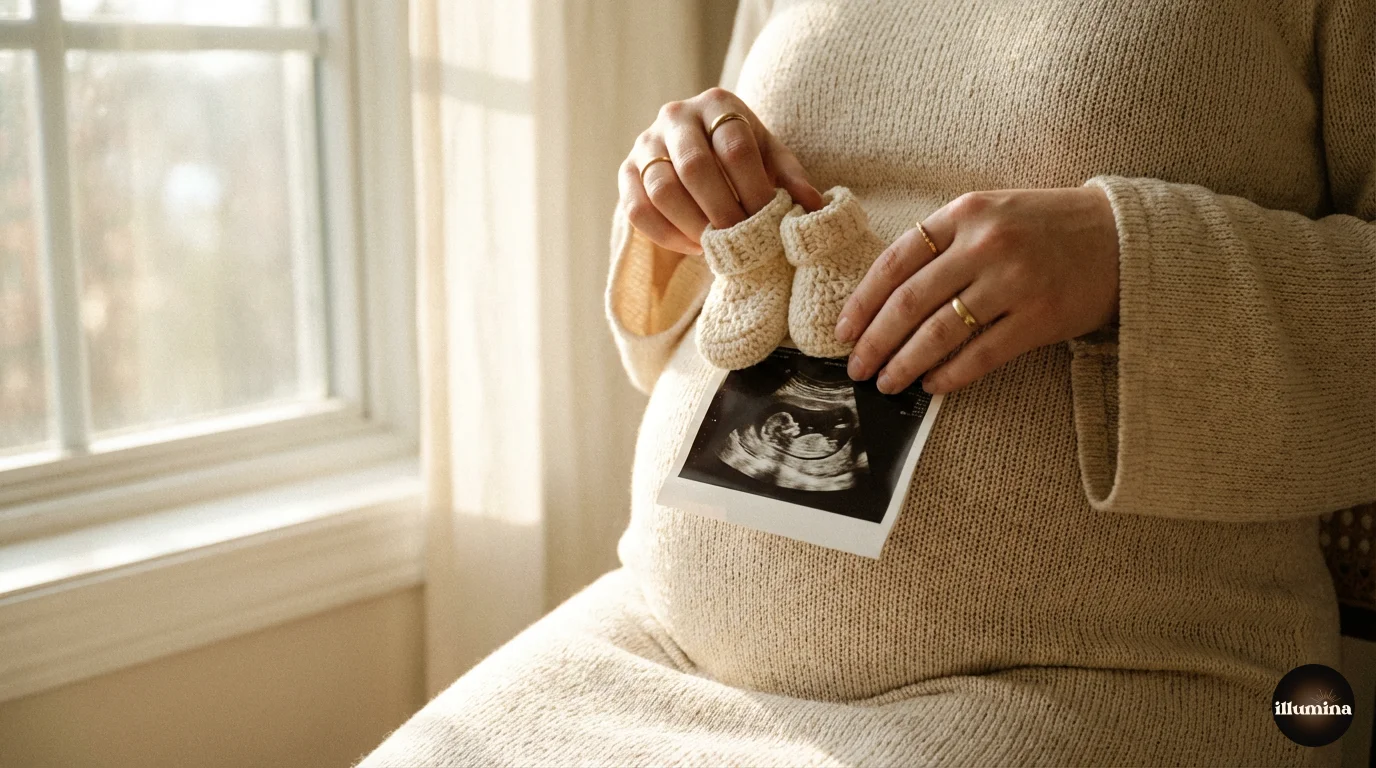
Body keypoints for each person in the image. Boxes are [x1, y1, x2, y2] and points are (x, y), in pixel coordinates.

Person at [362, 1, 1375, 764]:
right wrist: (671, 197)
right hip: (659, 647)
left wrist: (1125, 259)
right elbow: (687, 309)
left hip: (1104, 678)